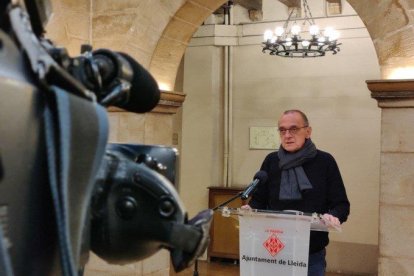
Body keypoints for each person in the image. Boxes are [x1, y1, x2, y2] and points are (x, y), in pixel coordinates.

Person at [243, 109, 350, 276]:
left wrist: (333, 215)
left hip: (310, 253)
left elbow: (341, 204)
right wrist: (251, 210)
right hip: (273, 249)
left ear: (308, 131)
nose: (287, 135)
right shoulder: (271, 161)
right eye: (282, 130)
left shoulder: (325, 162)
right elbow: (259, 201)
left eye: (293, 129)